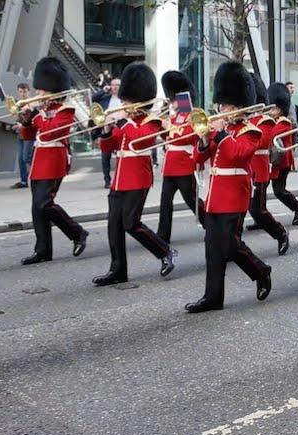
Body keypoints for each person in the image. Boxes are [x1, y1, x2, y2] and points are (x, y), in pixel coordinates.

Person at [184, 61, 273, 313]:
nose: (220, 109)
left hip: (235, 194)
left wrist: (221, 134)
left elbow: (237, 154)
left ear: (237, 106)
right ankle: (213, 296)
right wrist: (203, 140)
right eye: (220, 105)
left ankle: (260, 271)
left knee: (230, 245)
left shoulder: (250, 130)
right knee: (212, 247)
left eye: (225, 105)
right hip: (215, 195)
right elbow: (198, 160)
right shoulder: (218, 130)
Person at [94, 63, 176, 285]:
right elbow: (108, 147)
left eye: (127, 101)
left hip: (138, 177)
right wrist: (107, 130)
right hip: (120, 178)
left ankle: (165, 251)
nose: (124, 104)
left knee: (131, 223)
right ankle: (117, 270)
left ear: (139, 100)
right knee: (114, 225)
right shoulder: (126, 121)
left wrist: (122, 121)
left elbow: (140, 140)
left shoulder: (152, 121)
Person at [20, 57, 89, 265]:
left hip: (54, 161)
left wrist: (37, 114)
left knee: (45, 204)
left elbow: (50, 133)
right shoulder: (43, 111)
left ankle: (77, 233)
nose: (38, 93)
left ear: (52, 89)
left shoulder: (66, 111)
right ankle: (43, 250)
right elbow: (29, 134)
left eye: (41, 90)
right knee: (37, 208)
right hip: (39, 160)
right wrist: (25, 119)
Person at [243, 75, 291, 254]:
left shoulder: (265, 120)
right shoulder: (245, 119)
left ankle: (280, 233)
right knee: (240, 210)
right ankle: (231, 244)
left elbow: (262, 142)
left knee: (258, 210)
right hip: (244, 171)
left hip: (259, 171)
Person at [156, 70, 201, 243]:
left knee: (191, 201)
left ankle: (210, 224)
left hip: (184, 165)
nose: (171, 102)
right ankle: (162, 235)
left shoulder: (192, 115)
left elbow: (190, 136)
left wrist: (169, 127)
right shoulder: (174, 117)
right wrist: (162, 126)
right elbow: (167, 138)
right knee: (165, 202)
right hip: (170, 166)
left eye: (173, 99)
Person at [266, 84, 298, 225]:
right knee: (260, 191)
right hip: (272, 162)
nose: (271, 111)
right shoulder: (275, 121)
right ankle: (260, 215)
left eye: (273, 108)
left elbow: (270, 136)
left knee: (279, 190)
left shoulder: (284, 123)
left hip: (282, 162)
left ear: (281, 109)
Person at [92, 76, 121, 189]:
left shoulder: (125, 99)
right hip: (107, 128)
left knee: (120, 155)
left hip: (120, 128)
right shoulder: (105, 98)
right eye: (113, 85)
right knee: (105, 156)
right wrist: (104, 90)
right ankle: (107, 180)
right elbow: (93, 98)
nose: (115, 87)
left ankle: (119, 178)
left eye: (117, 85)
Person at [10, 83, 34, 189]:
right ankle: (24, 181)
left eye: (24, 92)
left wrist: (22, 125)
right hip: (21, 135)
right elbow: (21, 119)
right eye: (20, 92)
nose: (23, 94)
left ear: (29, 92)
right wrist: (16, 124)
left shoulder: (32, 104)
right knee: (20, 159)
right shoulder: (19, 104)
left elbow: (34, 120)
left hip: (29, 134)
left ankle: (38, 176)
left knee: (26, 157)